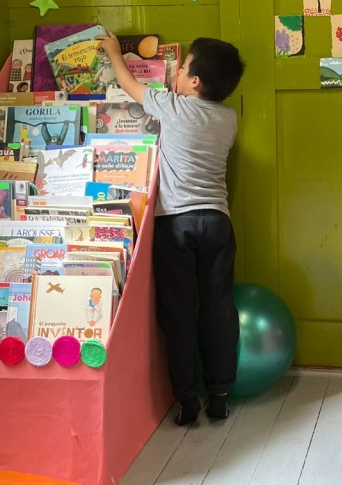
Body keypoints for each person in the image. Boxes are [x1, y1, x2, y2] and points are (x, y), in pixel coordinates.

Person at [99, 32, 245, 426]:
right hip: (217, 221)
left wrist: (115, 52)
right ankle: (219, 393)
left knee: (178, 314)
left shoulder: (170, 106)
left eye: (181, 68)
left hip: (176, 223)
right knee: (218, 308)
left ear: (194, 81)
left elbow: (129, 85)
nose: (175, 74)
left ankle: (186, 402)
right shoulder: (229, 119)